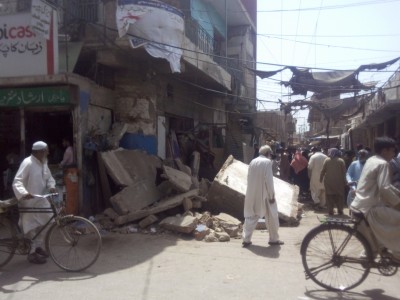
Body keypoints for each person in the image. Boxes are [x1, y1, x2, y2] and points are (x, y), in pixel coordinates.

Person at [351, 137, 400, 263]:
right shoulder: (383, 164)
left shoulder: (372, 160)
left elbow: (385, 188)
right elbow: (385, 188)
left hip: (358, 205)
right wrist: (398, 202)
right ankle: (397, 255)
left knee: (378, 232)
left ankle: (370, 253)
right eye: (393, 151)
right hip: (369, 208)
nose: (394, 154)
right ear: (384, 151)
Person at [12, 141, 56, 264]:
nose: (48, 152)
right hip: (29, 202)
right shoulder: (28, 163)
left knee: (49, 221)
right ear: (39, 152)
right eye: (46, 150)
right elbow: (17, 181)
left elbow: (49, 178)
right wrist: (24, 193)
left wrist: (51, 186)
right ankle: (31, 254)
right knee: (30, 228)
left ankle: (37, 246)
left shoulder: (43, 163)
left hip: (41, 200)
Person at [242, 145, 284, 247]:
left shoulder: (253, 161)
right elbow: (269, 180)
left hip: (252, 192)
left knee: (251, 216)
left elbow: (248, 177)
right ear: (268, 153)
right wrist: (271, 195)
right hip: (265, 193)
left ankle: (246, 239)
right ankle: (273, 239)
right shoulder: (267, 162)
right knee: (272, 216)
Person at [320, 148, 347, 215]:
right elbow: (344, 172)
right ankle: (340, 210)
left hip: (329, 182)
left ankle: (330, 210)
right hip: (339, 182)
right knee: (340, 196)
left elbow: (323, 171)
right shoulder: (341, 161)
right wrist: (345, 181)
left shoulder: (327, 160)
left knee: (329, 196)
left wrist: (320, 179)